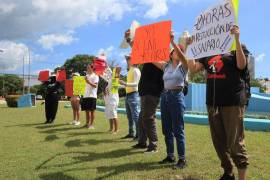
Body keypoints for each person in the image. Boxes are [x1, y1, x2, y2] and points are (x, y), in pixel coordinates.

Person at [188, 25, 249, 180]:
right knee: (219, 142)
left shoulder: (237, 47)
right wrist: (190, 48)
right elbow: (193, 68)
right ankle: (228, 173)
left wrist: (237, 38)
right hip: (213, 103)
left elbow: (242, 65)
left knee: (235, 142)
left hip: (233, 102)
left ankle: (242, 176)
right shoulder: (208, 50)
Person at [152, 31, 188, 169]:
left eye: (180, 51)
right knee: (167, 129)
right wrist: (136, 47)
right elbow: (150, 58)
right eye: (175, 51)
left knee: (178, 129)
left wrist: (173, 42)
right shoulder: (166, 66)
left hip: (177, 97)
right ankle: (170, 155)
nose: (178, 52)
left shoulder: (183, 66)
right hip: (165, 97)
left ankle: (182, 159)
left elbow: (184, 57)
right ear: (171, 54)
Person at [124, 29, 164, 153]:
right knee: (142, 117)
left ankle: (153, 144)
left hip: (152, 93)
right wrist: (129, 40)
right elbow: (137, 50)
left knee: (148, 118)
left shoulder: (160, 57)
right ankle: (142, 142)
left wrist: (135, 43)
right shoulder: (148, 57)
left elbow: (141, 51)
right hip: (145, 92)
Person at [119, 54, 141, 140]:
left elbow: (136, 84)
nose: (127, 60)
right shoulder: (130, 70)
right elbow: (128, 85)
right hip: (128, 95)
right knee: (129, 116)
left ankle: (139, 135)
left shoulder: (136, 70)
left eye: (129, 59)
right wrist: (119, 86)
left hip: (133, 94)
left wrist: (124, 83)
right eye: (128, 59)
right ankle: (131, 133)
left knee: (135, 116)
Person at [102, 66, 121, 134]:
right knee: (109, 115)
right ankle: (111, 128)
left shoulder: (115, 80)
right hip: (108, 101)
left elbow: (118, 70)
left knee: (113, 114)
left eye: (108, 72)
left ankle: (116, 130)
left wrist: (115, 70)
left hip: (113, 100)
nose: (106, 73)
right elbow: (103, 75)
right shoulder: (109, 81)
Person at [81, 64, 99, 129]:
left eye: (88, 68)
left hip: (92, 96)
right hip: (85, 95)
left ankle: (91, 125)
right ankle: (87, 123)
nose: (87, 69)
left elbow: (95, 86)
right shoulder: (86, 76)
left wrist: (88, 82)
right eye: (87, 68)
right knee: (86, 111)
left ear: (92, 68)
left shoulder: (95, 76)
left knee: (92, 111)